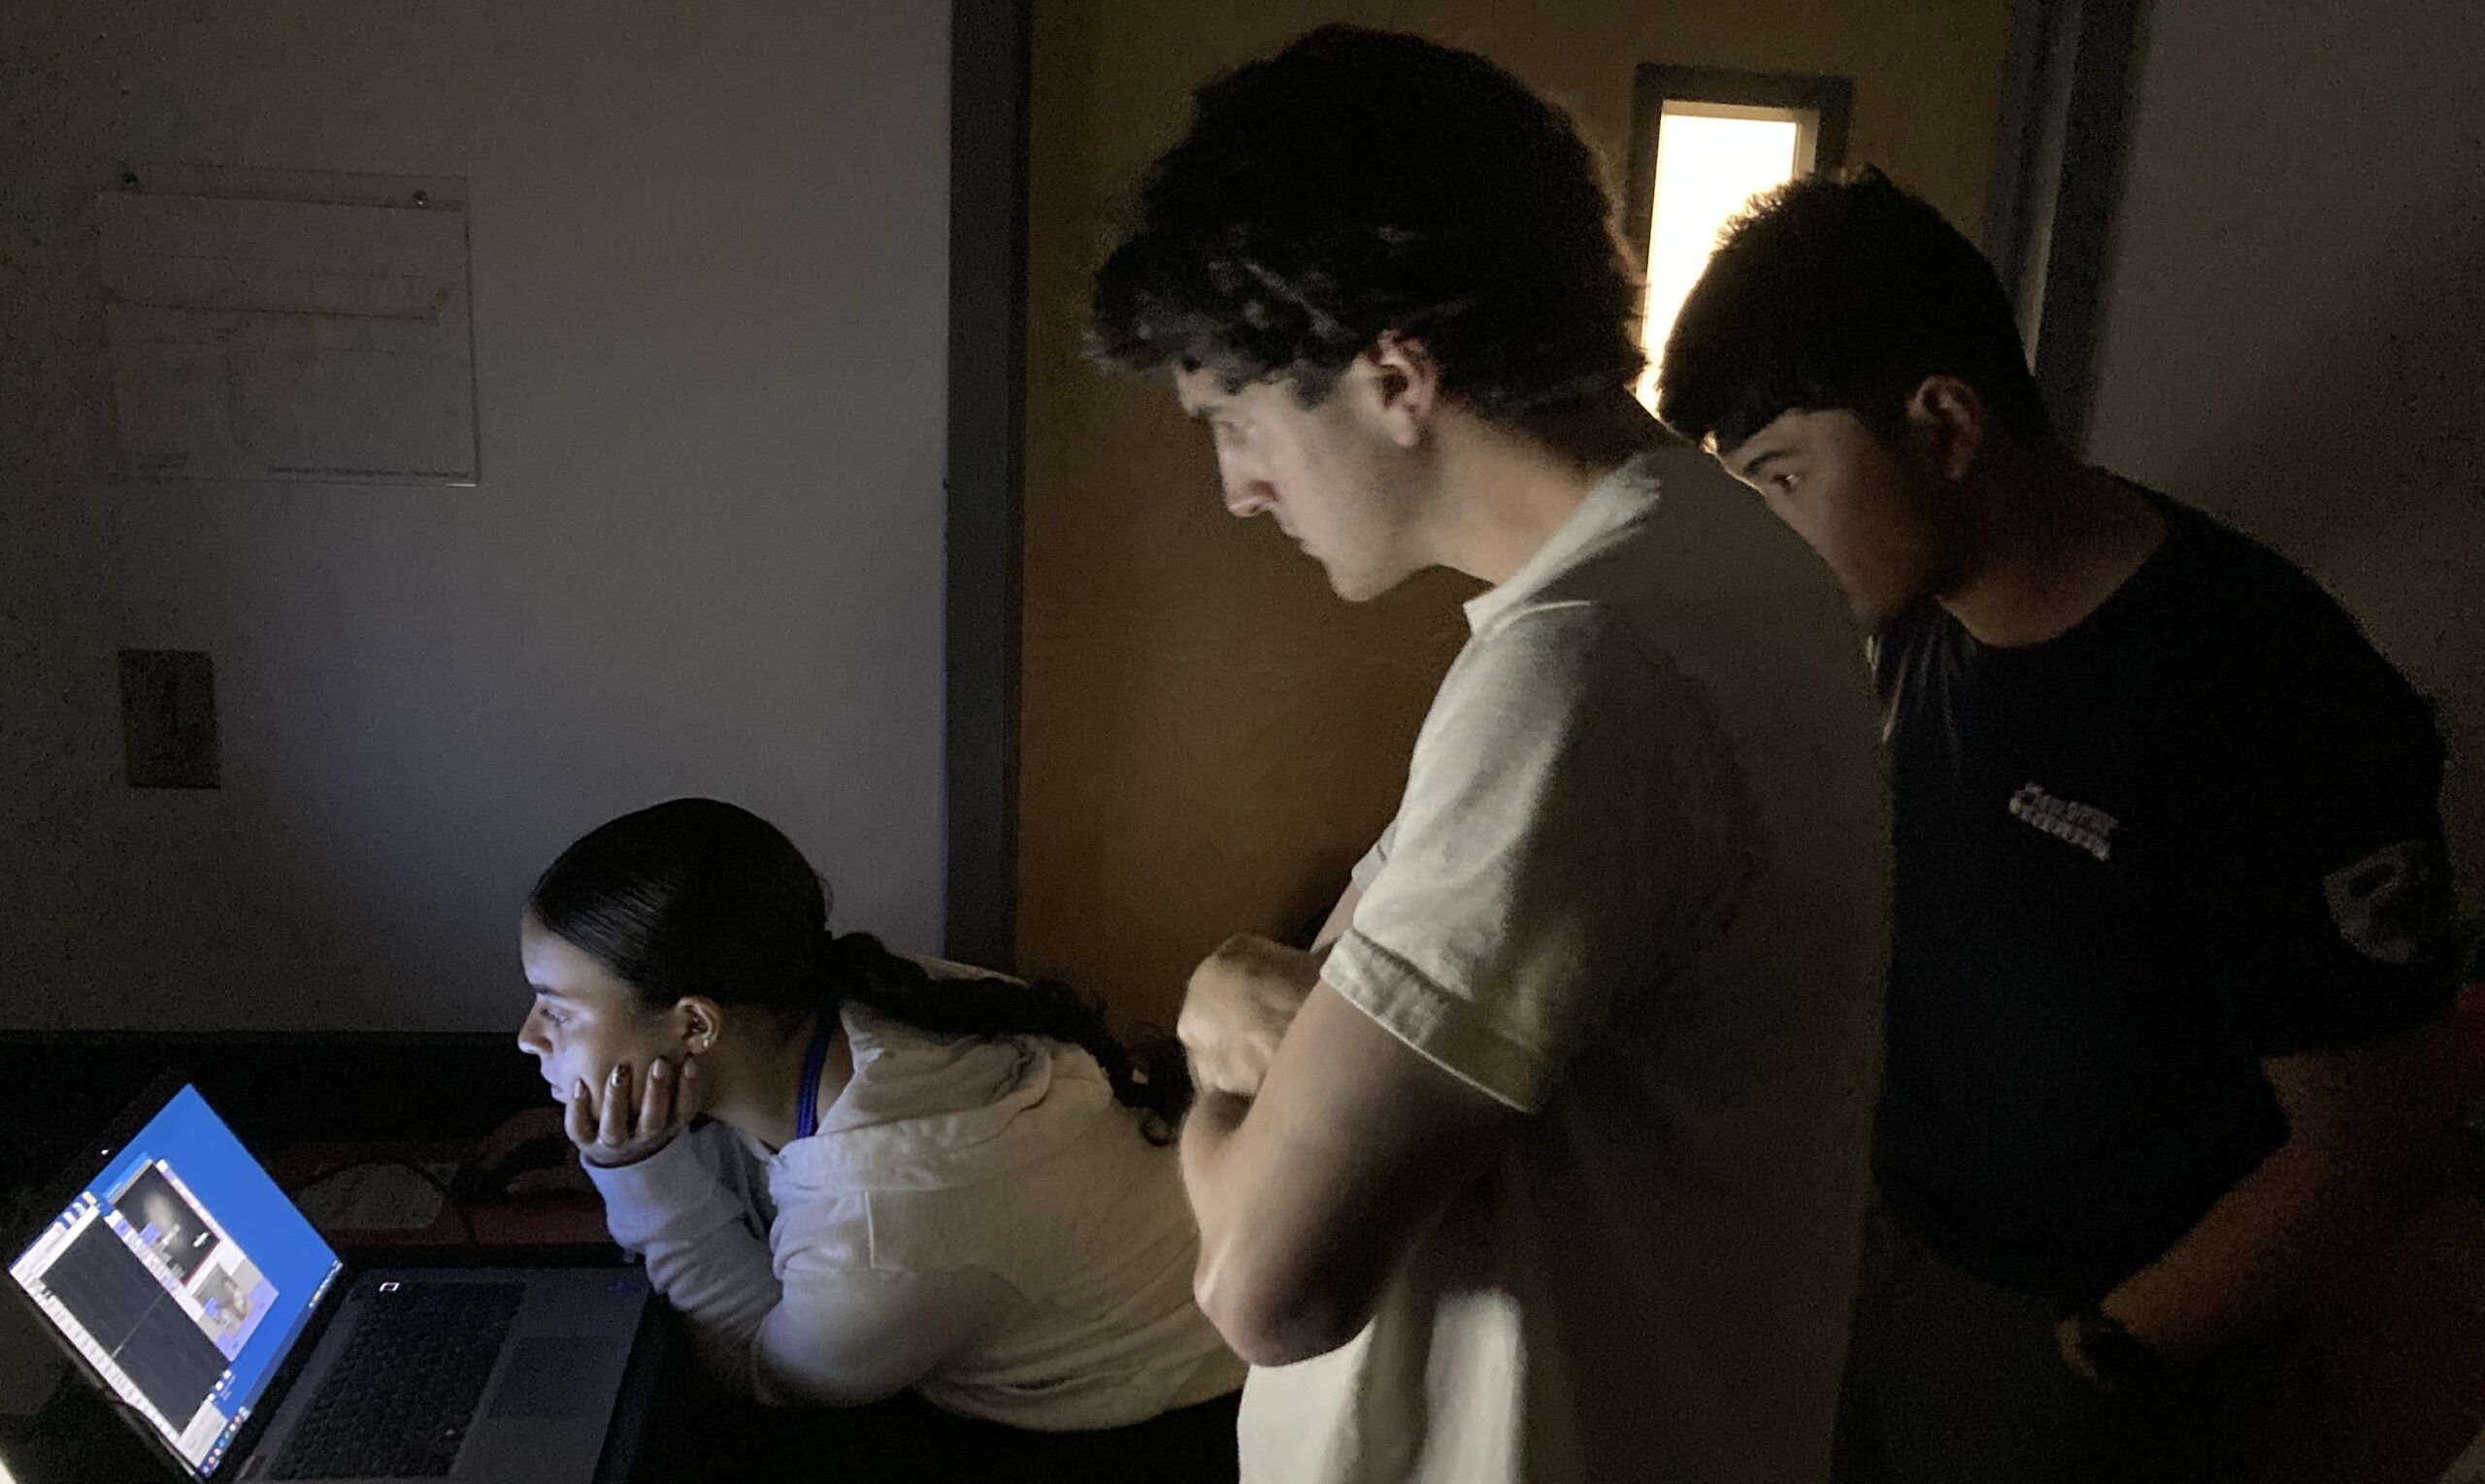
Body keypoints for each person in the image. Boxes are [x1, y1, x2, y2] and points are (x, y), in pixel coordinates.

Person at [1090, 26, 1890, 1483]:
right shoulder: (1735, 559)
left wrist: (1219, 1058)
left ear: (1397, 377)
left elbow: (1265, 1286)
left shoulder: (1585, 671)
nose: (1239, 492)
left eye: (1236, 420)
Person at [1656, 167, 2465, 1482]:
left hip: (2076, 1330)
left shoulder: (2262, 688)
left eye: (1783, 477)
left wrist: (2112, 1348)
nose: (1771, 535)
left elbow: (2375, 1131)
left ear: (1944, 423)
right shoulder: (1924, 626)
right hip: (1892, 1242)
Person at [514, 797, 1244, 1441]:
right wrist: (643, 1145)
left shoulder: (887, 1224)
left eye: (557, 1009)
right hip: (1163, 1263)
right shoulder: (861, 1002)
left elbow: (762, 1371)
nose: (528, 1036)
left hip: (1170, 1405)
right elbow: (784, 1151)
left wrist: (644, 1176)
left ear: (696, 1026)